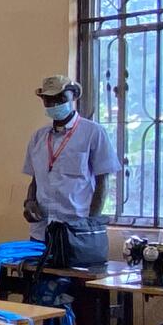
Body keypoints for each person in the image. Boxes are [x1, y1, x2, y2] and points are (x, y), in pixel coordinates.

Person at [22, 76, 119, 266]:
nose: (54, 103)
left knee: (76, 291)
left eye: (60, 98)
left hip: (76, 232)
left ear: (72, 96)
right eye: (49, 100)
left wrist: (89, 226)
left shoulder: (93, 133)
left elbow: (102, 183)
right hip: (41, 232)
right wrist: (29, 202)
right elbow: (35, 180)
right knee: (39, 290)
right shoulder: (38, 138)